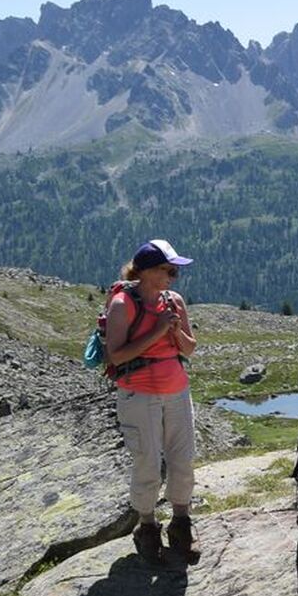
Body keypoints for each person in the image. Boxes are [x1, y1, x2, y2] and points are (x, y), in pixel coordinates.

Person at [105, 238, 199, 565]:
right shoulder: (122, 304)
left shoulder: (173, 301)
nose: (173, 277)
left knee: (182, 458)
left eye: (174, 271)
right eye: (167, 270)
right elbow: (116, 355)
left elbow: (189, 349)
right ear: (145, 271)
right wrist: (158, 331)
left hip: (176, 390)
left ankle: (181, 522)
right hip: (138, 393)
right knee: (147, 461)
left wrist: (174, 333)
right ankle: (147, 526)